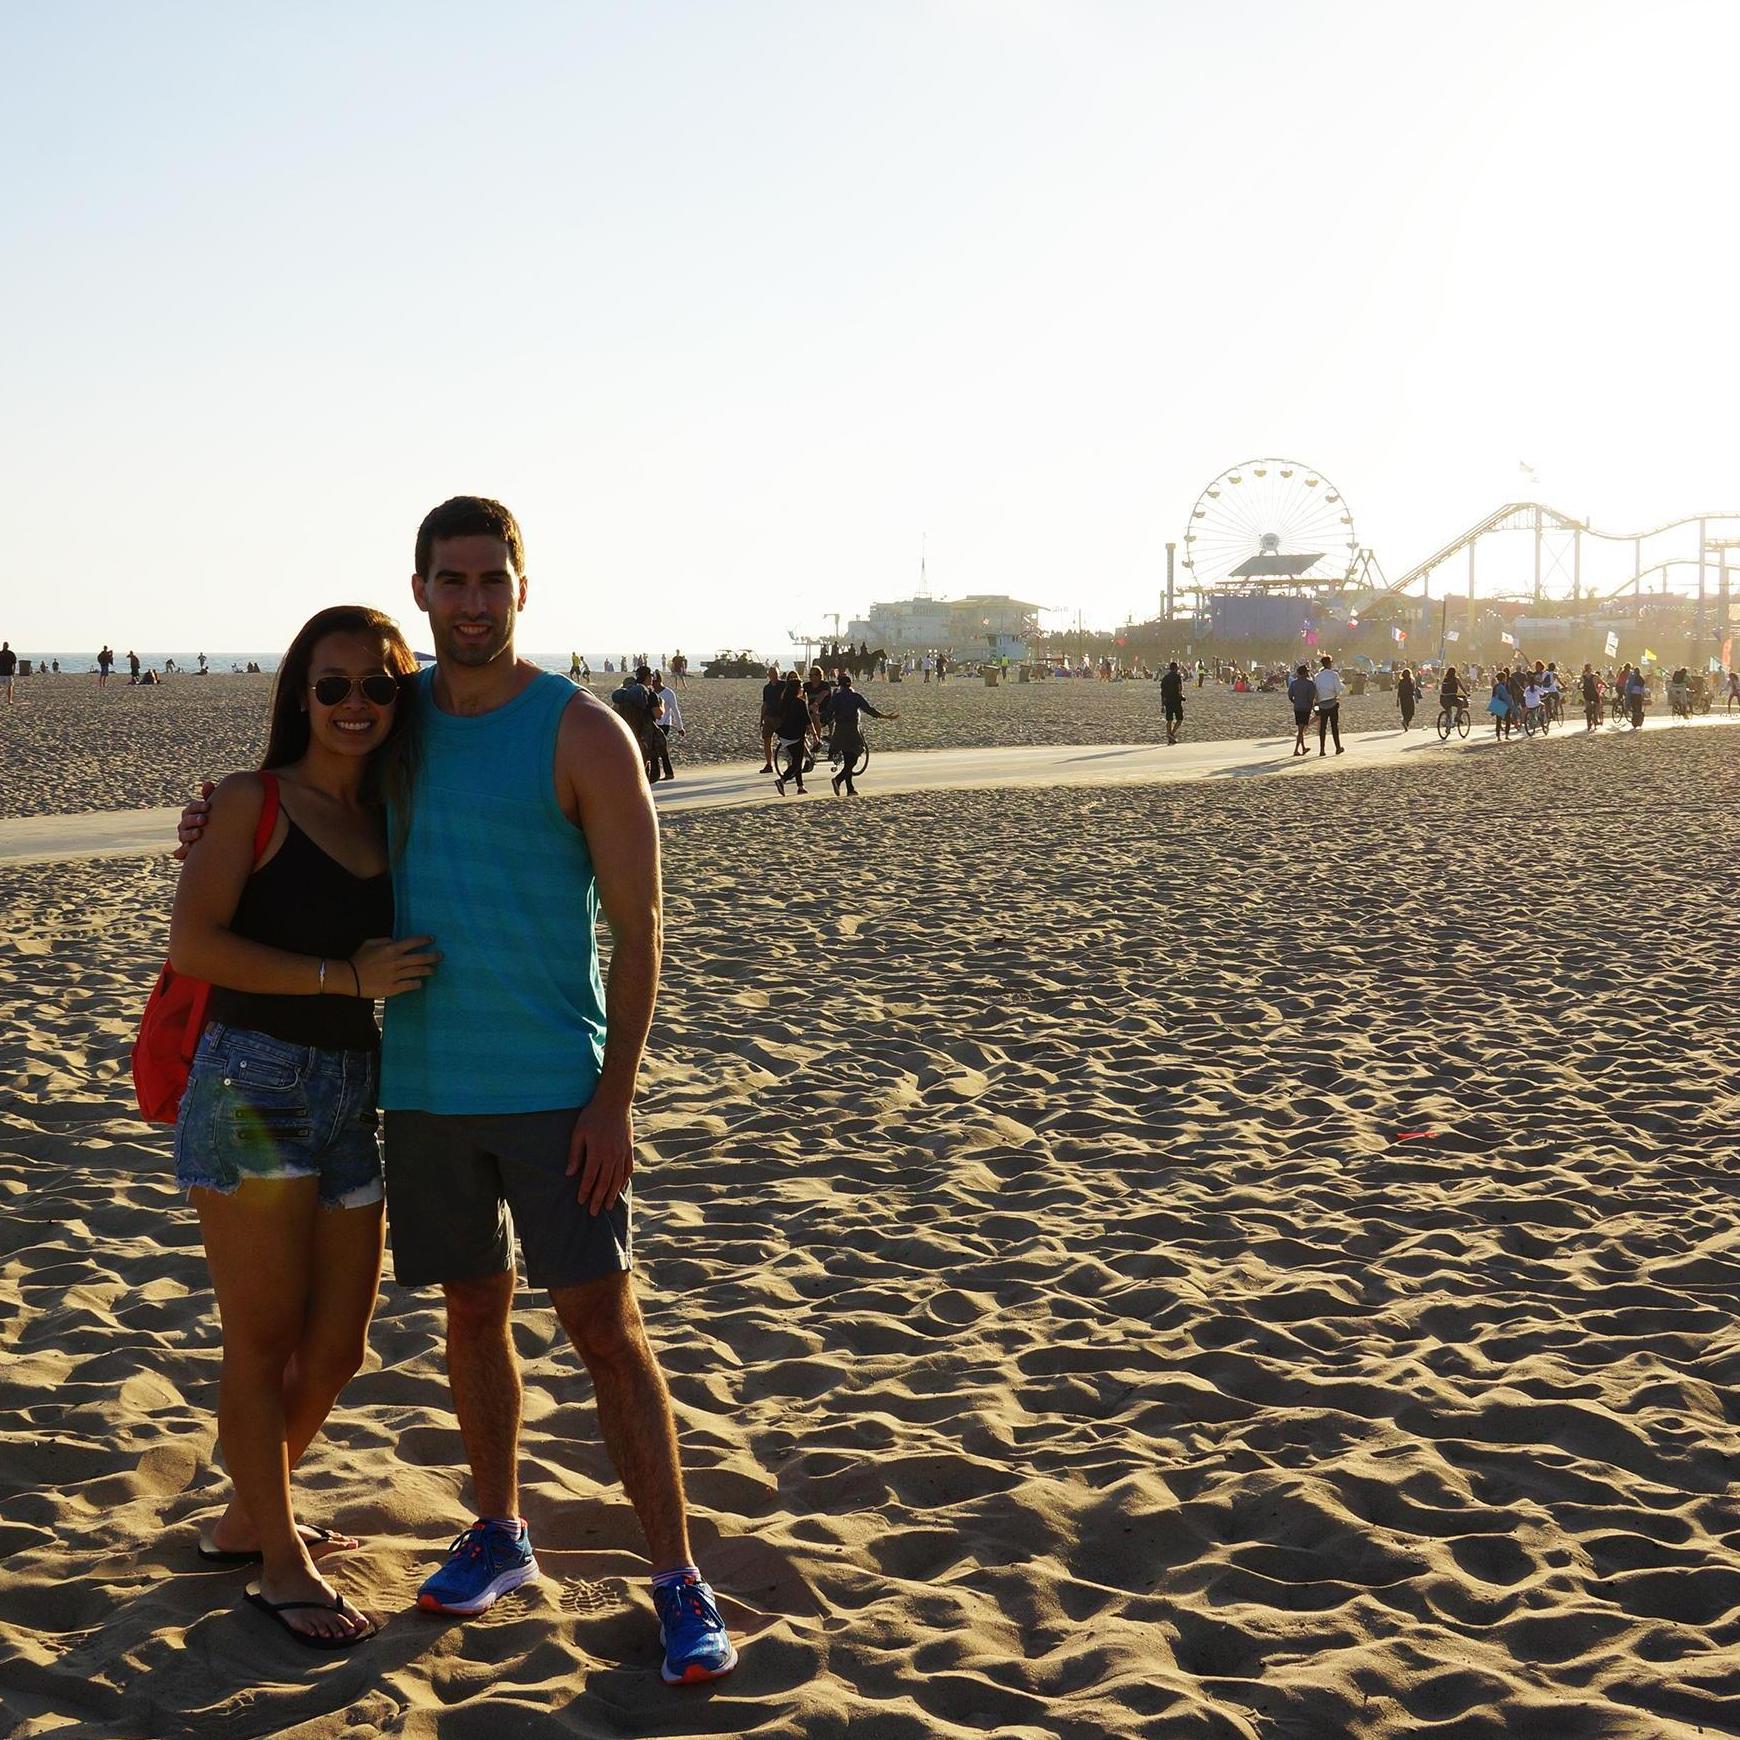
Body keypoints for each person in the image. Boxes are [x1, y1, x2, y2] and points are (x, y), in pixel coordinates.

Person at [177, 497, 738, 1684]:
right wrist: (212, 816)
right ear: (421, 590)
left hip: (551, 1088)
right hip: (418, 1088)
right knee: (470, 1310)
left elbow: (641, 931)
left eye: (493, 579)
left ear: (523, 586)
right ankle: (499, 1530)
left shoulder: (582, 731)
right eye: (453, 581)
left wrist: (614, 1098)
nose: (473, 601)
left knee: (603, 1327)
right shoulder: (395, 719)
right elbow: (294, 791)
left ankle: (680, 1580)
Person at [170, 605, 434, 1647]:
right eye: (333, 687)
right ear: (300, 695)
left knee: (338, 1347)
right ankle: (277, 1560)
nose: (356, 705)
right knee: (263, 1336)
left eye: (378, 686)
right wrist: (344, 978)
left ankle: (247, 1513)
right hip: (253, 1085)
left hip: (347, 1092)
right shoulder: (251, 801)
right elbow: (195, 945)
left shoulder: (396, 815)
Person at [822, 672, 895, 795]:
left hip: (840, 729)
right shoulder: (856, 696)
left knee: (848, 758)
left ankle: (850, 789)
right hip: (852, 729)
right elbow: (869, 710)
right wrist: (886, 717)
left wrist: (817, 723)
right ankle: (838, 780)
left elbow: (827, 714)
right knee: (854, 757)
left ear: (840, 686)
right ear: (850, 685)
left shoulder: (836, 697)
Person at [772, 672, 812, 795]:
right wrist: (814, 734)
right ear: (796, 689)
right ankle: (782, 780)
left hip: (784, 734)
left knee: (796, 760)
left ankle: (800, 787)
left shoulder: (784, 701)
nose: (802, 690)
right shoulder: (799, 703)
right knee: (797, 763)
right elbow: (807, 720)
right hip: (795, 735)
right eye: (800, 688)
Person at [649, 671, 682, 782]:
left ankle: (669, 773)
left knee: (661, 749)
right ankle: (655, 774)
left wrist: (680, 727)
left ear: (659, 681)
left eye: (654, 682)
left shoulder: (668, 693)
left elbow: (675, 710)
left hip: (664, 724)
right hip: (653, 723)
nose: (652, 684)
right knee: (652, 749)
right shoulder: (651, 693)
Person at [1313, 654, 1344, 755]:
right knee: (1334, 726)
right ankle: (1337, 747)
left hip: (1322, 704)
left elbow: (1316, 691)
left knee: (1323, 727)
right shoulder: (1334, 675)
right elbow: (1338, 690)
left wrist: (1317, 701)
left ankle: (1322, 749)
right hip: (1332, 702)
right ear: (1330, 663)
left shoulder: (1317, 676)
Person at [758, 662, 782, 773]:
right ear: (769, 675)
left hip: (781, 717)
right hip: (769, 717)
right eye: (771, 673)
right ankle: (769, 764)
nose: (773, 675)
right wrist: (761, 719)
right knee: (767, 740)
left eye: (775, 673)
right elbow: (765, 704)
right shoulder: (767, 688)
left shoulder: (783, 685)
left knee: (786, 740)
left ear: (778, 674)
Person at [1287, 662, 1316, 755]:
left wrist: (1294, 701)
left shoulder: (1294, 683)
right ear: (1304, 673)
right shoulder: (1310, 683)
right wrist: (1311, 706)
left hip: (1297, 707)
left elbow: (1290, 695)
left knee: (1301, 727)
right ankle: (1296, 750)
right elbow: (1311, 697)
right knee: (1301, 730)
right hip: (1305, 708)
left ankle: (1303, 748)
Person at [1160, 660, 1185, 745]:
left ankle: (1170, 737)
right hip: (1176, 700)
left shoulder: (1165, 678)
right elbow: (1179, 688)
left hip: (1167, 701)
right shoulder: (1177, 677)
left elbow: (1162, 692)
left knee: (1169, 719)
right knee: (1180, 719)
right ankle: (1171, 734)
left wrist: (1162, 705)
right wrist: (1182, 696)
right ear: (1175, 668)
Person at [1580, 662, 1600, 730]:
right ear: (1590, 669)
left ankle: (1588, 717)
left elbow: (1580, 684)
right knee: (1598, 704)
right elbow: (1601, 681)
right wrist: (1607, 685)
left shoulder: (1583, 677)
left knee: (1587, 704)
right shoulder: (1595, 676)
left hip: (1586, 693)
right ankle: (1596, 719)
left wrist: (1580, 687)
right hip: (1593, 693)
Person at [1396, 666, 1417, 731]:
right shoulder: (1411, 681)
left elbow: (1399, 691)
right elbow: (1413, 689)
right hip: (1409, 698)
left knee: (1405, 712)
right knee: (1411, 712)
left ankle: (1405, 721)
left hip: (1403, 698)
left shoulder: (1401, 682)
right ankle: (1406, 722)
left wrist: (1397, 700)